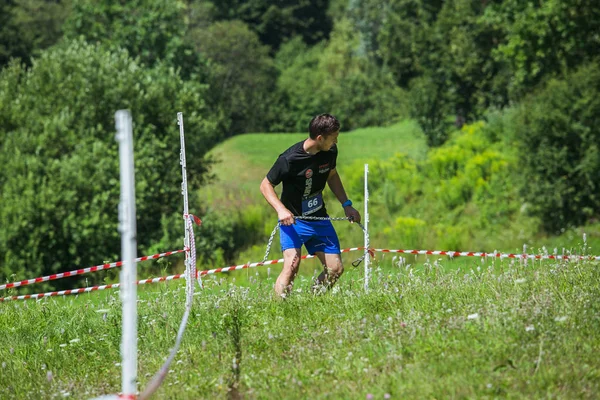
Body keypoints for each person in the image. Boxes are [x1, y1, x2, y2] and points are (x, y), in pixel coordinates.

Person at [260, 113, 361, 298]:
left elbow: (332, 175)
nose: (336, 142)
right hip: (294, 221)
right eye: (333, 138)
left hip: (319, 218)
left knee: (335, 269)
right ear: (320, 138)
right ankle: (279, 311)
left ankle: (311, 302)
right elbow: (265, 185)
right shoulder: (289, 159)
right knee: (292, 266)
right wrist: (281, 210)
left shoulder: (330, 152)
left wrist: (347, 204)